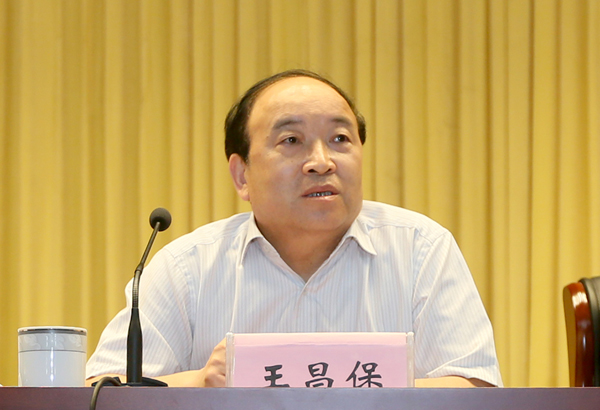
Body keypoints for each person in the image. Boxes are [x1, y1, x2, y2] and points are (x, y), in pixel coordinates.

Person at [86, 69, 502, 388]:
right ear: (242, 175)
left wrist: (379, 386)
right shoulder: (186, 267)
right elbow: (101, 390)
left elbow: (476, 387)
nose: (321, 161)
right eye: (291, 141)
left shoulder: (421, 249)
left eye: (340, 139)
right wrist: (200, 382)